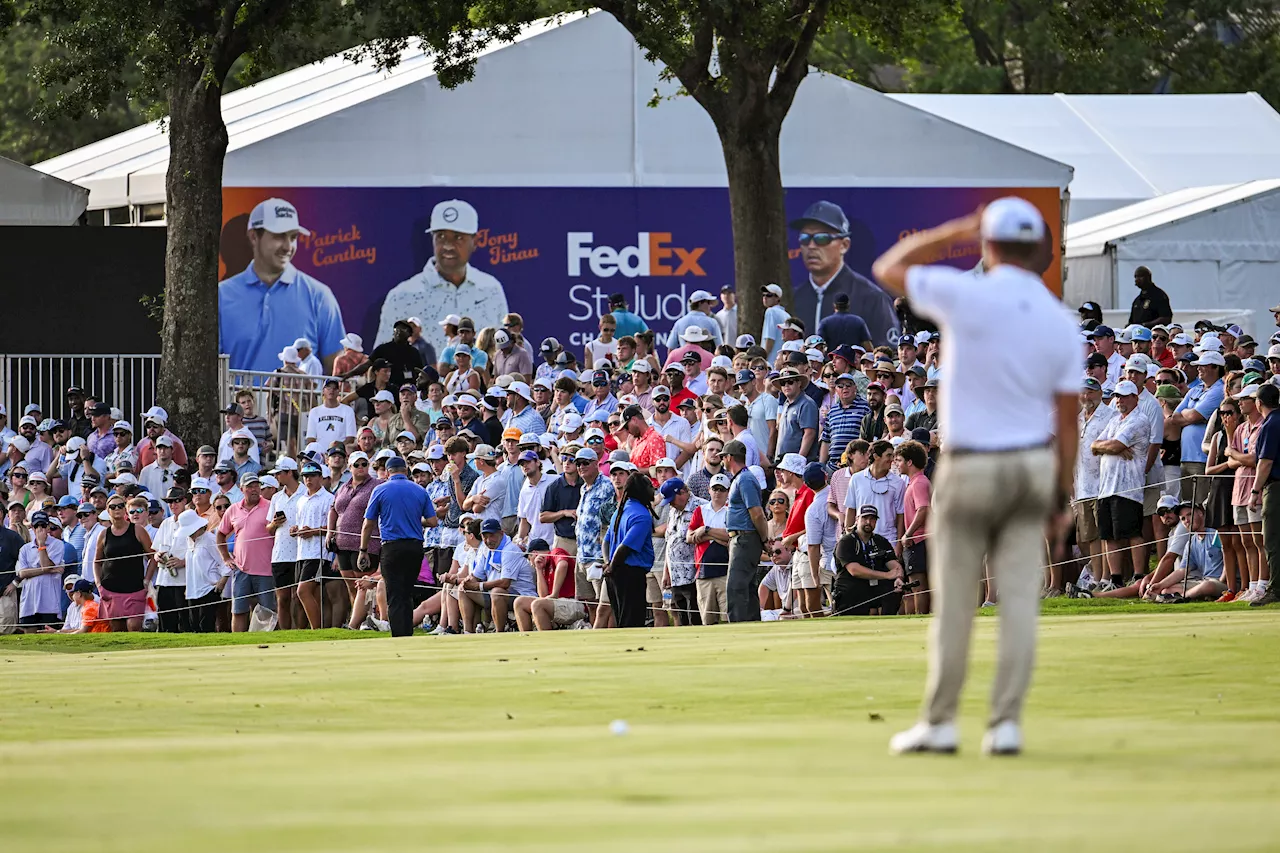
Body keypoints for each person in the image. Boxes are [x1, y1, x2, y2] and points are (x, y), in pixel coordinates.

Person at [872, 197, 1080, 756]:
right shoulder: (1061, 321)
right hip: (1033, 465)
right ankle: (1005, 723)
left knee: (957, 599)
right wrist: (1063, 493)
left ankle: (941, 722)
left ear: (988, 245)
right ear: (1038, 250)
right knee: (1017, 599)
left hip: (970, 464)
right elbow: (1067, 420)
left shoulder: (967, 294)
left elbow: (888, 267)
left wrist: (955, 231)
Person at [219, 198, 345, 373]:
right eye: (279, 236)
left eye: (293, 237)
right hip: (239, 401)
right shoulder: (221, 296)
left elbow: (336, 369)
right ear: (254, 237)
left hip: (299, 401)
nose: (288, 246)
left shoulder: (320, 296)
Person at [376, 200, 508, 358]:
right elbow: (381, 360)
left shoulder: (491, 289)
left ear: (476, 241)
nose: (448, 246)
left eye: (458, 237)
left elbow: (504, 352)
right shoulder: (402, 296)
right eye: (441, 236)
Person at [790, 201, 898, 345]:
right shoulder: (793, 298)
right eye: (805, 238)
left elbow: (887, 356)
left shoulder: (872, 298)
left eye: (821, 238)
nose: (811, 246)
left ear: (844, 245)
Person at [360, 456, 438, 636]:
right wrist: (415, 522)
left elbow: (368, 524)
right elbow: (433, 521)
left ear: (387, 472)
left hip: (392, 547)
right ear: (406, 471)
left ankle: (399, 636)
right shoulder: (419, 490)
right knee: (406, 592)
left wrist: (363, 550)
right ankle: (407, 633)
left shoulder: (380, 490)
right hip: (415, 547)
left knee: (394, 594)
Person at [216, 473, 276, 633]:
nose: (254, 489)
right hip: (241, 569)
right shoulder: (233, 509)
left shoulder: (270, 506)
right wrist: (226, 558)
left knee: (267, 611)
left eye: (256, 486)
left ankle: (266, 643)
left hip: (266, 569)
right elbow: (221, 534)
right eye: (249, 486)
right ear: (242, 489)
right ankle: (238, 645)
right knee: (239, 610)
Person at [603, 472, 657, 628]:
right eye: (650, 486)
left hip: (615, 573)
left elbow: (605, 542)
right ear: (641, 489)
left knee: (621, 620)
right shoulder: (641, 515)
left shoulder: (621, 510)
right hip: (630, 573)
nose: (653, 490)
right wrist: (611, 566)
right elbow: (624, 547)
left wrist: (608, 563)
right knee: (632, 622)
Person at [722, 440, 768, 622]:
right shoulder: (743, 478)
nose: (723, 461)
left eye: (723, 457)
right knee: (746, 587)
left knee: (736, 587)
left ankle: (738, 628)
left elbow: (757, 513)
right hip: (742, 538)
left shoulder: (745, 479)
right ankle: (751, 625)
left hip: (745, 538)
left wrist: (764, 540)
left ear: (730, 457)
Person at [832, 504, 904, 616]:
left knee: (893, 589)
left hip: (874, 587)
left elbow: (895, 565)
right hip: (851, 588)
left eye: (872, 519)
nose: (868, 522)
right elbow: (854, 570)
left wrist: (898, 577)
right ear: (857, 519)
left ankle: (888, 623)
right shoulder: (846, 542)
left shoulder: (881, 541)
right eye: (864, 518)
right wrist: (887, 575)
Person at [1249, 383, 1280, 606]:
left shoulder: (1271, 423)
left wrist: (1254, 491)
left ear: (1259, 403)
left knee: (1272, 540)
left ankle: (1276, 589)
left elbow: (1265, 462)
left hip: (1276, 487)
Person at [179, 509, 230, 633]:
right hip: (193, 590)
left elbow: (225, 561)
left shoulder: (210, 539)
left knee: (206, 625)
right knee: (194, 625)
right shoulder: (189, 541)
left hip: (209, 588)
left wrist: (222, 581)